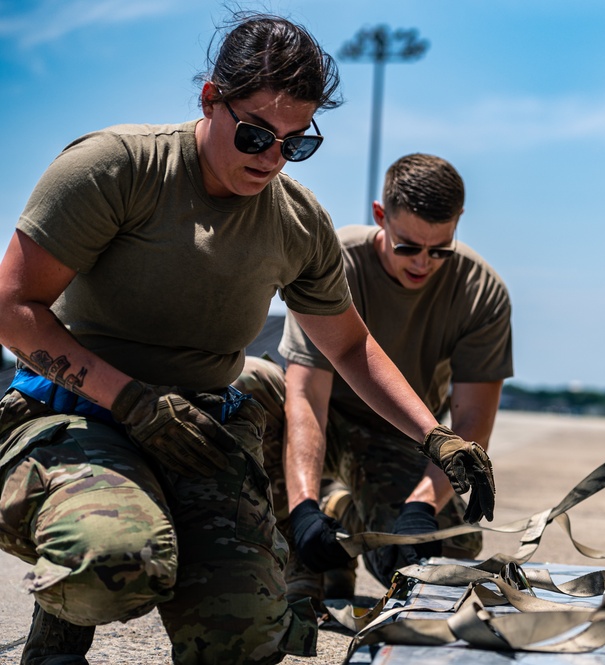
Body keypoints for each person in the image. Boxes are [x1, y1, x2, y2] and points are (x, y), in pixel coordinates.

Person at [0, 13, 494, 665]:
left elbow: (347, 346)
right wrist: (134, 402)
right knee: (110, 560)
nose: (272, 158)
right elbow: (13, 304)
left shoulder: (296, 220)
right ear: (210, 98)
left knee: (247, 639)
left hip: (199, 432)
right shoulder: (119, 168)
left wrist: (436, 435)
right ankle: (59, 632)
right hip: (80, 416)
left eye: (296, 143)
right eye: (257, 134)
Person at [236, 153, 512, 603]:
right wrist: (303, 508)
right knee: (248, 381)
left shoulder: (482, 293)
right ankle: (298, 553)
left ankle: (343, 509)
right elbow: (306, 398)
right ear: (380, 216)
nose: (424, 262)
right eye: (408, 247)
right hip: (315, 419)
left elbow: (471, 420)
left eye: (439, 249)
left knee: (445, 551)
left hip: (397, 434)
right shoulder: (335, 262)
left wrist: (423, 504)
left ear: (459, 221)